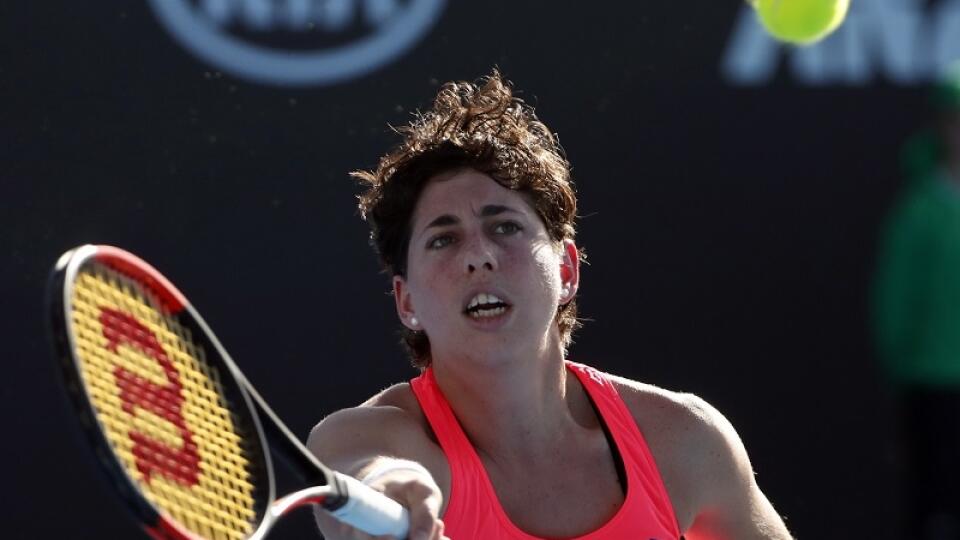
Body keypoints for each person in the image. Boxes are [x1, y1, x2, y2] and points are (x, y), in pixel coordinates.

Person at [308, 71, 793, 540]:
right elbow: (364, 473)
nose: (479, 256)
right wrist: (385, 494)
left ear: (566, 271)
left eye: (505, 227)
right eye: (443, 239)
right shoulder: (370, 438)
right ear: (406, 301)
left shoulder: (685, 441)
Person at [873, 63, 960, 539]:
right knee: (935, 506)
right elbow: (894, 302)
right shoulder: (919, 211)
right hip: (934, 386)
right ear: (943, 127)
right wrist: (908, 368)